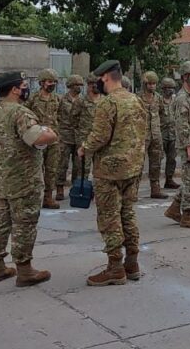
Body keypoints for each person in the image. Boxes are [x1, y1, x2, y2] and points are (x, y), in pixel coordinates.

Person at [80, 60, 148, 286]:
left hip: (109, 171)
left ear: (105, 78)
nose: (96, 83)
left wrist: (84, 148)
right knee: (127, 213)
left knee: (109, 217)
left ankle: (115, 267)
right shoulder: (135, 99)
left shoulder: (108, 104)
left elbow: (99, 136)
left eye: (98, 79)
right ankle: (132, 262)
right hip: (132, 167)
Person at [0, 71, 55, 287]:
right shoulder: (20, 113)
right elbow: (38, 137)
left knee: (0, 222)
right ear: (15, 89)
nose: (27, 88)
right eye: (24, 85)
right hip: (23, 179)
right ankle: (25, 270)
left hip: (0, 177)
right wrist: (51, 134)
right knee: (24, 223)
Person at [164, 61, 190, 229]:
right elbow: (182, 125)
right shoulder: (182, 99)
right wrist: (189, 146)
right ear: (184, 77)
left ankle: (175, 209)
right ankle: (187, 215)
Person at [26, 68, 63, 208]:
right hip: (38, 138)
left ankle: (48, 197)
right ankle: (33, 197)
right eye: (49, 82)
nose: (52, 84)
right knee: (35, 169)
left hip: (53, 139)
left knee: (52, 169)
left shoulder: (57, 99)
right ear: (42, 83)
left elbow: (60, 116)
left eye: (54, 82)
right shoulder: (32, 99)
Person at [138, 71, 167, 199]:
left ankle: (155, 189)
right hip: (141, 136)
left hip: (156, 135)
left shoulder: (158, 98)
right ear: (145, 84)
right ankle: (133, 191)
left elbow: (162, 113)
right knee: (138, 164)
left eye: (154, 84)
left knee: (156, 163)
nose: (152, 86)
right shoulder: (137, 98)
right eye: (149, 84)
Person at [57, 74, 84, 196]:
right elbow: (56, 116)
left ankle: (75, 187)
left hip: (78, 137)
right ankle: (59, 188)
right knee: (62, 163)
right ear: (70, 86)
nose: (79, 87)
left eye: (80, 85)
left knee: (78, 165)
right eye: (76, 85)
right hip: (65, 136)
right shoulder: (62, 100)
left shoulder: (83, 101)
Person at [159, 77, 180, 190]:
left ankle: (169, 179)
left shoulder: (175, 101)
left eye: (172, 88)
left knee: (172, 158)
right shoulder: (158, 100)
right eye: (168, 88)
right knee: (158, 158)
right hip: (161, 133)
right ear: (163, 89)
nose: (170, 90)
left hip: (173, 133)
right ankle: (155, 182)